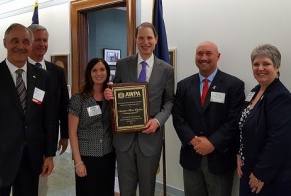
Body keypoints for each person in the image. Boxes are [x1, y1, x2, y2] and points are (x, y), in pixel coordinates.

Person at [104, 22, 174, 196]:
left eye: (149, 37)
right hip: (123, 139)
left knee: (147, 188)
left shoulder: (166, 70)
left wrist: (158, 121)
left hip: (150, 137)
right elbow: (116, 91)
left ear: (156, 40)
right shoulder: (122, 64)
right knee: (126, 188)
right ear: (136, 40)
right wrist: (109, 94)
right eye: (141, 37)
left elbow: (169, 102)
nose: (145, 42)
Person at [172, 41, 245, 196]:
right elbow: (178, 117)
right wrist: (193, 140)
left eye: (208, 53)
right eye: (200, 53)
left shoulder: (234, 85)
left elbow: (234, 120)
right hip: (191, 155)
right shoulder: (183, 85)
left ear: (218, 56)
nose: (203, 57)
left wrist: (212, 143)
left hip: (220, 157)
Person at [0, 23, 56, 196]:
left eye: (26, 42)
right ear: (5, 43)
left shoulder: (42, 76)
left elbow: (49, 118)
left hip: (31, 157)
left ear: (31, 44)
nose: (20, 46)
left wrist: (49, 154)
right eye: (15, 41)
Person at [237, 44, 291, 195]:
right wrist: (239, 153)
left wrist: (260, 174)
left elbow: (279, 141)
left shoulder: (281, 97)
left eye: (266, 63)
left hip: (268, 176)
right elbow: (243, 125)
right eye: (256, 64)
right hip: (249, 167)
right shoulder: (255, 91)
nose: (260, 68)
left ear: (277, 67)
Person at [27, 24, 69, 195]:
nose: (42, 44)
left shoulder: (57, 72)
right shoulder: (20, 69)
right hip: (23, 140)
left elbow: (63, 105)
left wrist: (64, 135)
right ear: (28, 41)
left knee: (42, 184)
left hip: (48, 137)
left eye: (45, 40)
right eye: (37, 40)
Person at [68, 58, 115, 196]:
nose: (98, 73)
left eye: (102, 69)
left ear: (107, 72)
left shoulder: (111, 97)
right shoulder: (79, 99)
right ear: (89, 73)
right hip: (87, 158)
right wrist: (78, 162)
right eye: (94, 70)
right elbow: (72, 132)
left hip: (107, 155)